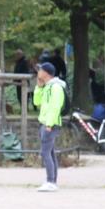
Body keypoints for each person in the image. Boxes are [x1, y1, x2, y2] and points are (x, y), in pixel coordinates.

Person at [33, 62, 66, 192]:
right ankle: (52, 181)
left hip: (50, 124)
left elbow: (55, 107)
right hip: (44, 122)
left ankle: (50, 181)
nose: (38, 72)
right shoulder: (47, 87)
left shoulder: (56, 88)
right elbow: (37, 102)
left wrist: (49, 124)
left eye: (40, 70)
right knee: (50, 153)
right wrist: (39, 87)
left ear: (46, 73)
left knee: (45, 153)